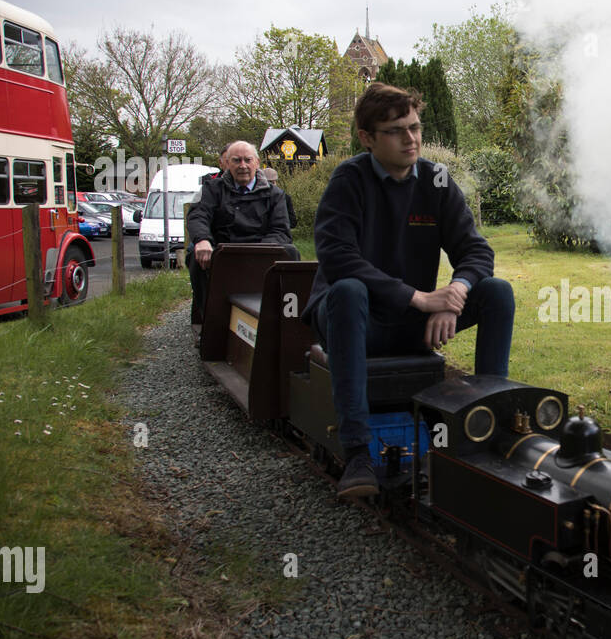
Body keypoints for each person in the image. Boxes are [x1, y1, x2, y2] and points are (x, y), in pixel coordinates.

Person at [302, 82, 514, 499]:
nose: (411, 138)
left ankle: (490, 429)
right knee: (347, 289)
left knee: (497, 292)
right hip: (354, 323)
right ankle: (358, 454)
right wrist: (418, 298)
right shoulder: (350, 179)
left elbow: (474, 249)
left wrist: (454, 293)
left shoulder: (436, 179)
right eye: (397, 130)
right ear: (367, 138)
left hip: (410, 322)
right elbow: (338, 256)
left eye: (415, 127)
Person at [186, 140, 299, 325]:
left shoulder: (275, 195)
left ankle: (287, 323)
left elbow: (281, 230)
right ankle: (210, 324)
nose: (243, 166)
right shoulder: (211, 189)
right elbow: (198, 215)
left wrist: (258, 251)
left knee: (291, 253)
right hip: (223, 250)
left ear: (256, 162)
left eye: (247, 160)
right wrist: (202, 240)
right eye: (236, 160)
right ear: (227, 163)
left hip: (263, 249)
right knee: (195, 256)